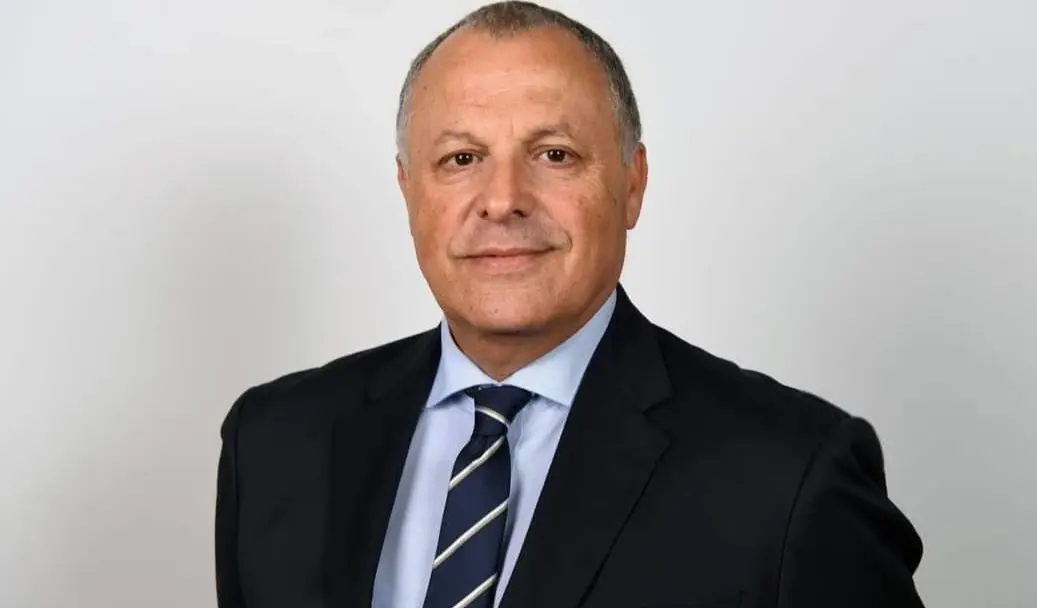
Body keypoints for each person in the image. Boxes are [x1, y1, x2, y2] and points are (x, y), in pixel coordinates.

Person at [214, 2, 925, 607]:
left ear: (632, 185)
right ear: (409, 191)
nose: (503, 200)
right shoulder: (274, 445)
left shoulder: (790, 476)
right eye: (461, 159)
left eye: (554, 154)